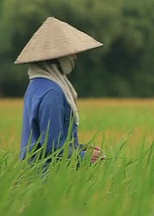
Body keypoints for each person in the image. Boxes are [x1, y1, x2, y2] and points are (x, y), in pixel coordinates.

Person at [16, 16, 105, 166]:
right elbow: (52, 146)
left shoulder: (36, 86)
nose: (75, 57)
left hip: (34, 172)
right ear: (54, 58)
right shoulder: (52, 93)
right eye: (70, 53)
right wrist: (84, 157)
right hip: (47, 176)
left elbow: (46, 138)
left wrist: (82, 148)